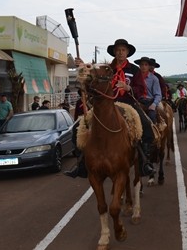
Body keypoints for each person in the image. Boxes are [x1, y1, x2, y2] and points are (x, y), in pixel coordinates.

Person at [65, 38, 154, 178]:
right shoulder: (105, 68)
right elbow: (90, 74)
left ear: (127, 52)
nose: (120, 53)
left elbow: (141, 90)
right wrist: (82, 66)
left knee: (146, 127)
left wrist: (128, 87)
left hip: (128, 103)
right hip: (106, 105)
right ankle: (81, 163)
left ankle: (144, 162)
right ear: (114, 52)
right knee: (77, 129)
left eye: (123, 50)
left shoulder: (134, 70)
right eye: (118, 50)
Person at [134, 56, 162, 124]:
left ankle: (155, 133)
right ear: (139, 66)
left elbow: (158, 95)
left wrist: (154, 104)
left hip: (149, 102)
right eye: (142, 64)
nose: (144, 66)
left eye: (146, 65)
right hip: (137, 101)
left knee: (152, 117)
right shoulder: (135, 77)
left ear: (149, 66)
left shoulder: (154, 79)